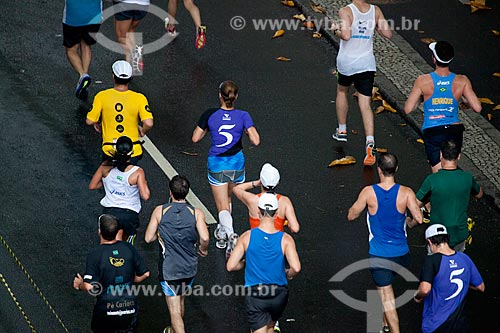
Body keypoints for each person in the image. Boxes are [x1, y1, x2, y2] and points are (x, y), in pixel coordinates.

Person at [347, 153, 422, 333]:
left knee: (386, 296)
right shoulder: (406, 192)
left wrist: (358, 208)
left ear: (379, 170)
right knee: (384, 287)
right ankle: (382, 323)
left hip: (380, 255)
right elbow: (418, 218)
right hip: (402, 255)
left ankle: (393, 330)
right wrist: (408, 222)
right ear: (396, 169)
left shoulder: (368, 192)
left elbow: (351, 215)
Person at [192, 80, 260, 258]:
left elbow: (195, 138)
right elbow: (256, 140)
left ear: (219, 96)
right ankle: (222, 234)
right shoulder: (243, 115)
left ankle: (230, 235)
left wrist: (208, 129)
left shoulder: (210, 114)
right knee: (229, 197)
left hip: (217, 163)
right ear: (235, 97)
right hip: (237, 162)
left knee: (222, 205)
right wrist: (246, 131)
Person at [227, 193, 301, 333]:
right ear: (277, 213)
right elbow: (296, 267)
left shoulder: (247, 237)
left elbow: (231, 265)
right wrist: (288, 274)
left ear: (258, 213)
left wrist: (244, 263)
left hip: (256, 296)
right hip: (279, 295)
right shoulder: (286, 239)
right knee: (270, 327)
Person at [330, 0, 392, 166]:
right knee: (365, 103)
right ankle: (370, 142)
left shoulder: (346, 11)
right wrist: (375, 27)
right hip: (366, 63)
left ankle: (342, 129)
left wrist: (335, 29)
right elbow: (388, 33)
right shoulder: (375, 10)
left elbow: (346, 35)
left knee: (342, 91)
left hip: (347, 62)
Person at [404, 41, 482, 173]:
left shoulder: (423, 81)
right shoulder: (462, 80)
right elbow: (477, 107)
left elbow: (408, 108)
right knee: (451, 168)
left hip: (433, 131)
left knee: (438, 172)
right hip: (454, 131)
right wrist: (463, 101)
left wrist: (423, 99)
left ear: (434, 59)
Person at [145, 175, 209, 333]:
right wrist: (203, 249)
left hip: (169, 269)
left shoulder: (160, 211)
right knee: (180, 298)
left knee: (174, 309)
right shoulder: (197, 213)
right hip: (189, 267)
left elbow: (148, 238)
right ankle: (173, 330)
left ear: (170, 192)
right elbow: (205, 237)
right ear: (187, 192)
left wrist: (159, 236)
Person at [73, 214, 150, 333]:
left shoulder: (96, 254)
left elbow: (89, 286)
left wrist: (79, 285)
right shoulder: (128, 248)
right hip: (129, 309)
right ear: (117, 232)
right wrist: (130, 279)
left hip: (106, 311)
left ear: (99, 231)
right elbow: (145, 274)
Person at [413, 224, 485, 333]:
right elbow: (480, 287)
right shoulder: (464, 258)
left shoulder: (431, 261)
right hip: (460, 324)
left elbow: (425, 289)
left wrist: (417, 296)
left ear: (429, 242)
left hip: (436, 325)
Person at [416, 140, 483, 252]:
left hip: (438, 235)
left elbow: (417, 203)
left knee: (436, 266)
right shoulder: (467, 178)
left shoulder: (432, 180)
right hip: (460, 233)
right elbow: (479, 194)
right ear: (459, 156)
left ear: (441, 155)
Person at [86, 60, 153, 164]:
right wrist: (142, 131)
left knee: (106, 177)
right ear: (130, 78)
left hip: (110, 149)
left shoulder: (101, 96)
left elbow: (89, 121)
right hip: (133, 149)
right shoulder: (140, 98)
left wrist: (98, 122)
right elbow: (148, 123)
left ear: (113, 76)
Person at [89, 136, 150, 244]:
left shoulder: (105, 167)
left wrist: (110, 182)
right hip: (129, 215)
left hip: (109, 212)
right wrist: (144, 183)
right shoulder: (137, 172)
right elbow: (145, 196)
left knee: (107, 243)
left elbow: (93, 185)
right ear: (131, 153)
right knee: (125, 245)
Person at [233, 163, 300, 233]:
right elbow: (295, 228)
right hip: (276, 242)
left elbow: (236, 189)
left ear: (261, 181)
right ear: (277, 182)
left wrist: (256, 183)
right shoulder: (284, 201)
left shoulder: (252, 200)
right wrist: (286, 223)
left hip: (256, 242)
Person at [62, 0, 103, 100]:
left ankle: (82, 75)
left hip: (73, 15)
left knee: (71, 49)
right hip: (94, 14)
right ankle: (83, 80)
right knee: (86, 45)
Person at [113, 0, 150, 74]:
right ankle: (130, 68)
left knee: (121, 38)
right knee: (130, 30)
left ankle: (136, 58)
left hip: (125, 3)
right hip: (143, 3)